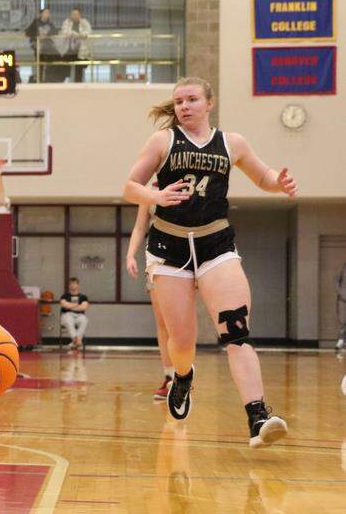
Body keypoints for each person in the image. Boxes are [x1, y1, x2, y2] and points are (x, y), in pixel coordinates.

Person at [123, 76, 296, 448]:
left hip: (216, 244)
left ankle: (258, 417)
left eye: (191, 99)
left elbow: (262, 175)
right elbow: (129, 186)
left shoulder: (232, 143)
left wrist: (277, 182)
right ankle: (182, 378)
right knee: (182, 341)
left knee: (236, 331)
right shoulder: (162, 142)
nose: (184, 106)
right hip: (169, 247)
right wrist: (156, 193)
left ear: (209, 103)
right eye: (179, 101)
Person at [127, 202, 174, 397]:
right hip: (157, 258)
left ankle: (183, 374)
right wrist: (130, 255)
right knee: (163, 323)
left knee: (179, 324)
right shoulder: (149, 193)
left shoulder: (192, 181)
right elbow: (140, 226)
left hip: (186, 258)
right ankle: (170, 376)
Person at [24, 7, 60, 83]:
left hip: (48, 46)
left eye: (48, 13)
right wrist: (37, 37)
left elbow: (56, 32)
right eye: (45, 12)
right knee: (40, 63)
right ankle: (39, 79)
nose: (47, 14)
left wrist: (47, 35)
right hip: (38, 45)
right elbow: (27, 33)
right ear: (41, 14)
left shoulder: (50, 24)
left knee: (55, 58)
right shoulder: (35, 22)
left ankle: (49, 78)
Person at [59, 7, 91, 82]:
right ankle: (63, 82)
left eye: (75, 14)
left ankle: (78, 84)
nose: (73, 16)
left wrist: (78, 35)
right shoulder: (67, 22)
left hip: (81, 51)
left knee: (79, 68)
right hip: (68, 50)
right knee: (62, 66)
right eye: (72, 14)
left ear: (80, 15)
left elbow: (88, 33)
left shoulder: (85, 22)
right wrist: (74, 34)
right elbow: (64, 32)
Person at [58, 277, 89, 350]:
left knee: (84, 320)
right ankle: (77, 340)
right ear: (69, 285)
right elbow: (64, 305)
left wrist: (70, 306)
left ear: (78, 285)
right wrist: (78, 305)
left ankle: (75, 341)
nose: (72, 285)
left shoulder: (83, 297)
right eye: (71, 284)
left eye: (74, 284)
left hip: (79, 315)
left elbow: (84, 307)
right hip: (66, 315)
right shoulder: (64, 296)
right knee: (68, 319)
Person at [336, 261, 346, 351]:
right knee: (342, 321)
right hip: (343, 299)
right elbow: (337, 280)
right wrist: (340, 292)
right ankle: (341, 340)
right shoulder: (343, 267)